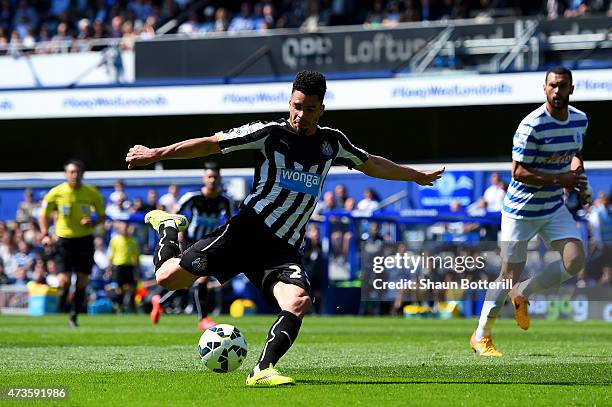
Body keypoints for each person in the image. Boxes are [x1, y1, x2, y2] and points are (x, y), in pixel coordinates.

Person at [126, 70, 444, 386]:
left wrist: (415, 175)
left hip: (283, 248)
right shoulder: (269, 134)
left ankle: (262, 369)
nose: (300, 115)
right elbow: (210, 144)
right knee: (167, 279)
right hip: (245, 234)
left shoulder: (332, 143)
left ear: (321, 109)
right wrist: (156, 154)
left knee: (298, 301)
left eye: (308, 109)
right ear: (289, 101)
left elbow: (371, 163)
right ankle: (168, 226)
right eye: (296, 106)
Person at [470, 66, 591, 356]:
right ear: (544, 88)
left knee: (575, 260)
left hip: (551, 206)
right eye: (552, 86)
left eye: (562, 86)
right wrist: (560, 179)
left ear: (571, 89)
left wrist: (579, 180)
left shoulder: (580, 120)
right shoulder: (531, 125)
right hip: (520, 210)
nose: (557, 91)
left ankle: (523, 293)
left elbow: (574, 153)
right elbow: (518, 172)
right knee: (508, 273)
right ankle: (481, 336)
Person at [150, 163, 232, 330]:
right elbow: (175, 214)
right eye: (209, 176)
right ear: (204, 178)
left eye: (215, 177)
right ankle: (203, 318)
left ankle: (160, 301)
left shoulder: (225, 201)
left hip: (211, 243)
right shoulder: (192, 197)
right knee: (200, 277)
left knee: (188, 282)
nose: (212, 180)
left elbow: (230, 223)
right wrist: (179, 236)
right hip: (192, 243)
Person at [39, 159, 105, 327]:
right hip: (64, 241)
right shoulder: (56, 192)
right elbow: (44, 215)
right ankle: (63, 300)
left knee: (82, 281)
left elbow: (102, 216)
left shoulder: (92, 193)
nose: (74, 175)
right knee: (64, 281)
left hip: (84, 240)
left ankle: (74, 315)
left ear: (82, 174)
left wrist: (92, 221)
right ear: (65, 174)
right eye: (71, 172)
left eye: (77, 172)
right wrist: (45, 234)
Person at [108, 221, 140, 313]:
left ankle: (131, 307)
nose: (125, 231)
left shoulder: (133, 241)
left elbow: (136, 257)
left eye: (127, 229)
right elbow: (111, 255)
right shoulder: (115, 240)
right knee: (119, 288)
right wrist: (109, 269)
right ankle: (120, 306)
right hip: (118, 266)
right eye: (123, 229)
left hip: (129, 266)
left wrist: (137, 269)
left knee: (131, 287)